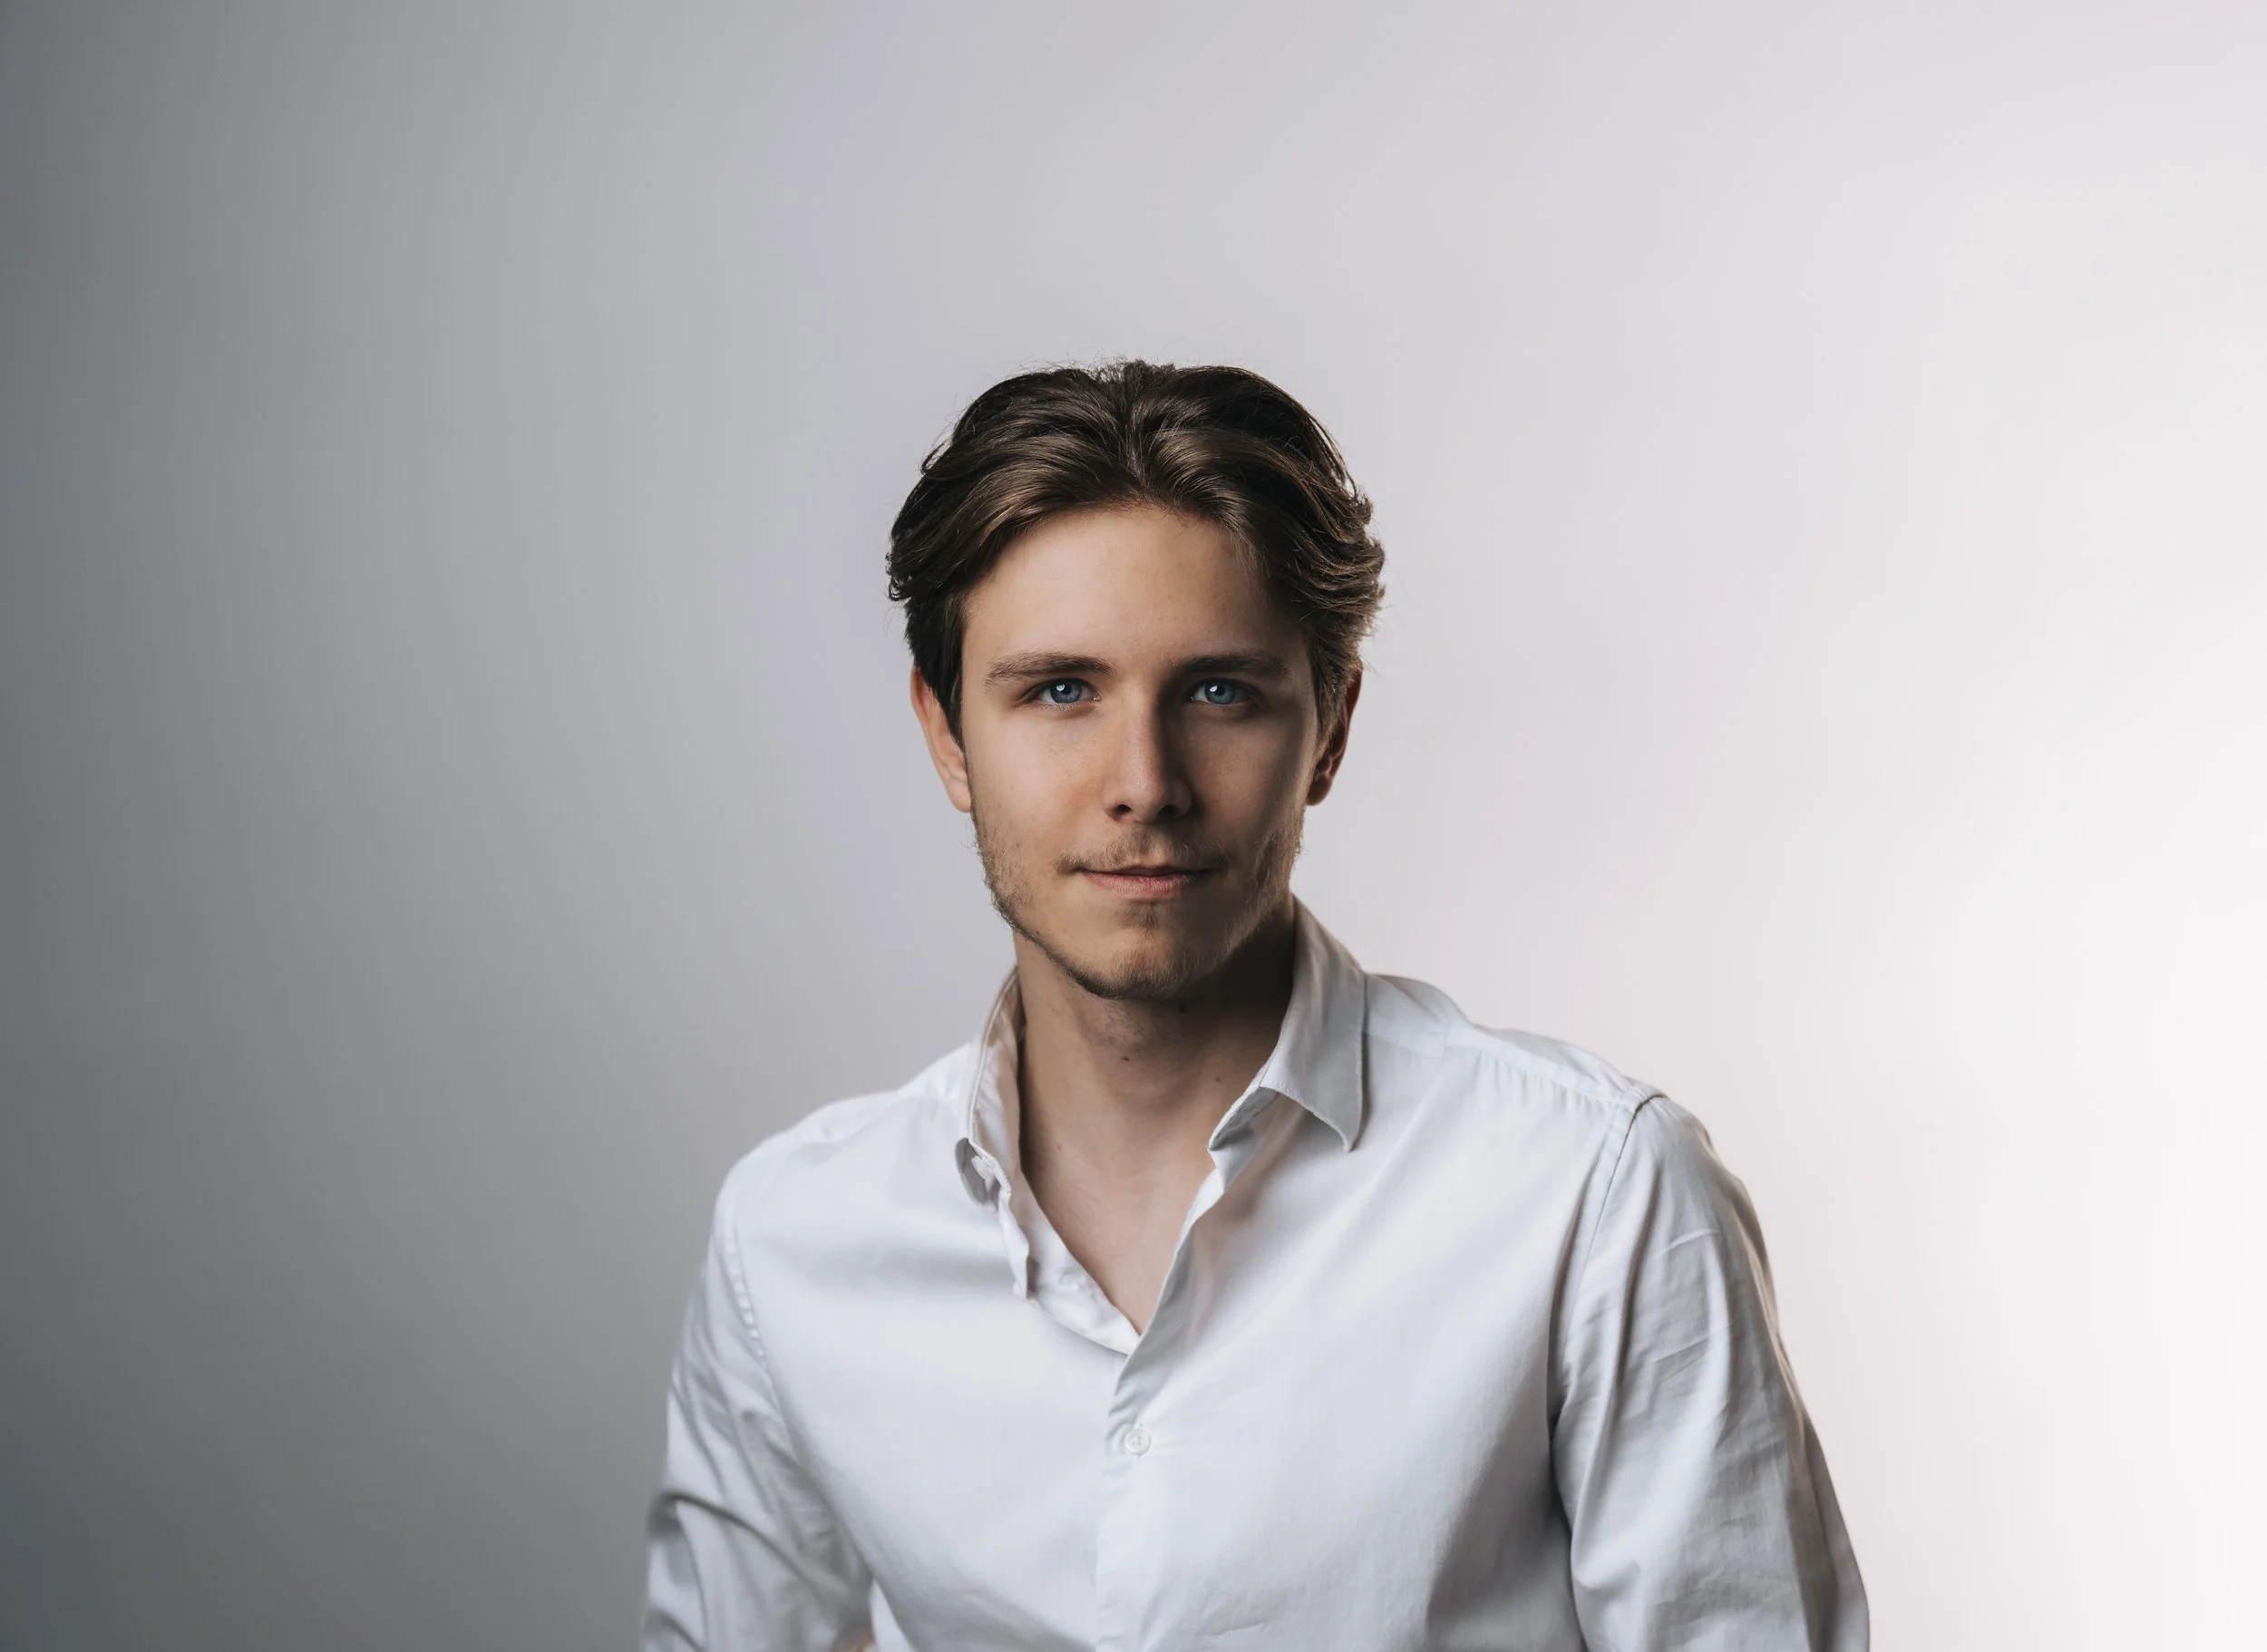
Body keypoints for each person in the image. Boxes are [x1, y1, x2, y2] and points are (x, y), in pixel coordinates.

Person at [641, 362, 1868, 1651]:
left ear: (1330, 725)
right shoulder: (792, 1247)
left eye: (1218, 690)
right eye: (1060, 690)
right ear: (947, 732)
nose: (1144, 782)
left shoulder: (1595, 1196)